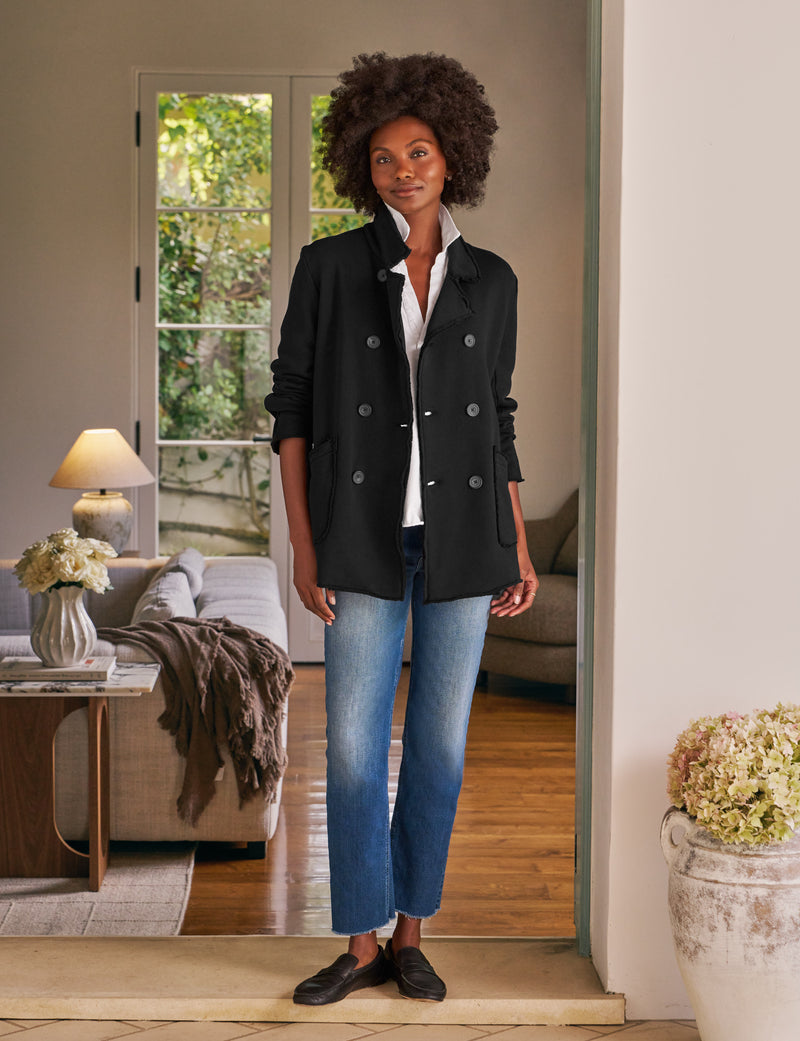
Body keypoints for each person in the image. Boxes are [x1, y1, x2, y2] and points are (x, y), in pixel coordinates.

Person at [264, 51, 538, 1006]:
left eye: (419, 151)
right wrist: (305, 546)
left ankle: (413, 932)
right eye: (383, 158)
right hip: (361, 544)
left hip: (466, 545)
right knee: (348, 748)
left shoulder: (492, 280)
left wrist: (519, 539)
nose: (404, 171)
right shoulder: (331, 267)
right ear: (362, 168)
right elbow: (291, 407)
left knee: (440, 747)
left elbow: (496, 418)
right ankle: (360, 941)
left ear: (451, 156)